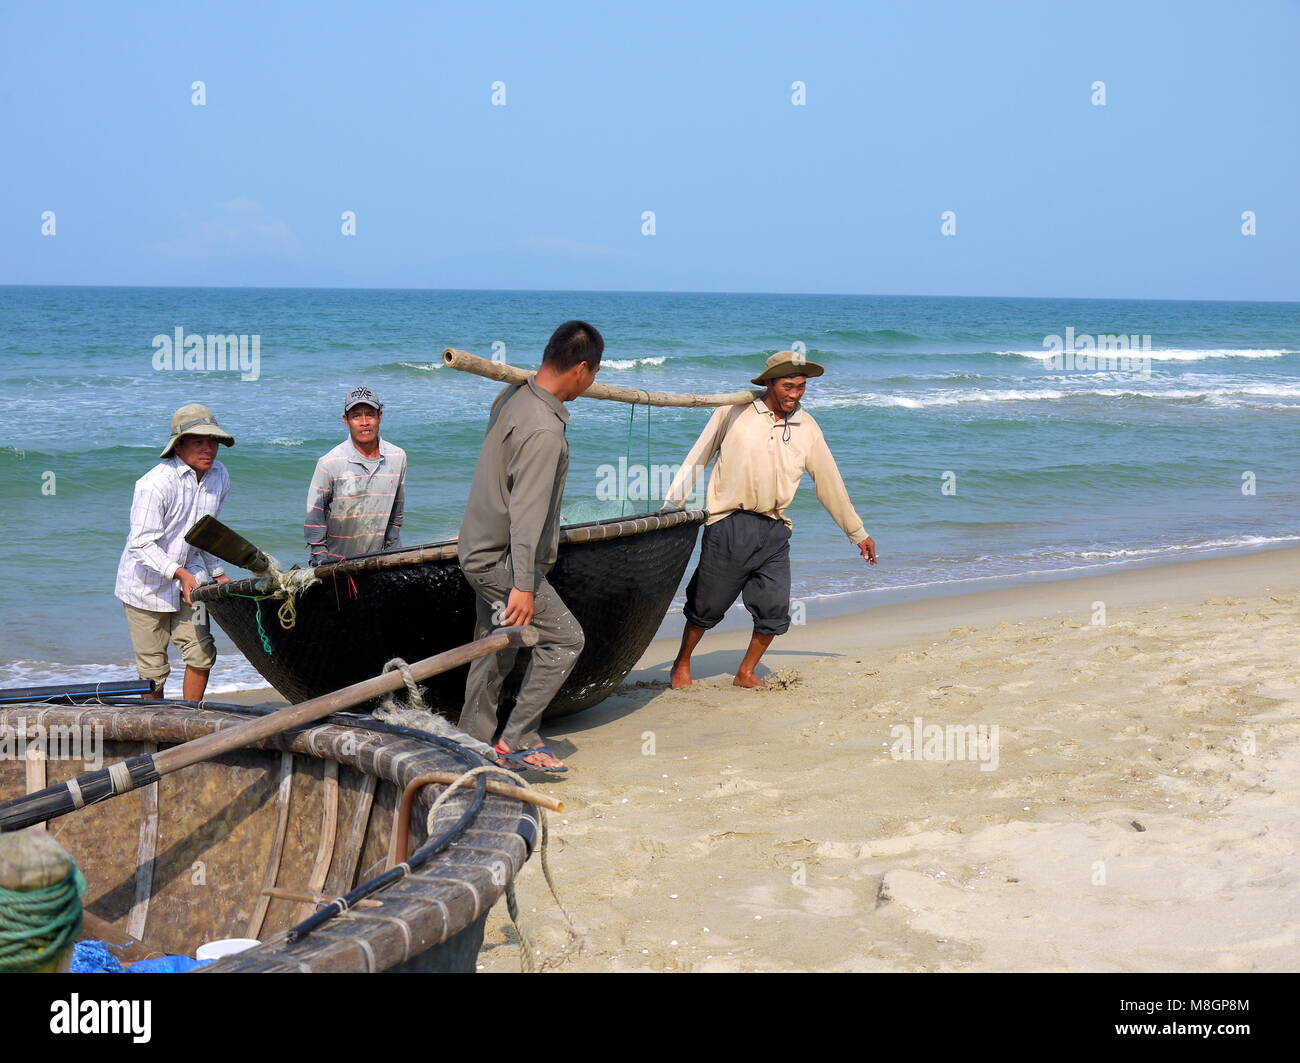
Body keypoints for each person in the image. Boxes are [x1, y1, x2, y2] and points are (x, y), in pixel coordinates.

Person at [662, 351, 877, 688]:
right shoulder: (734, 411)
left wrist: (856, 532)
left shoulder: (807, 426)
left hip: (775, 530)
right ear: (769, 384)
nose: (795, 394)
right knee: (707, 604)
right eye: (788, 386)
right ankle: (682, 662)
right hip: (729, 523)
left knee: (774, 608)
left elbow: (829, 482)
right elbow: (697, 457)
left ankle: (746, 672)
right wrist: (672, 506)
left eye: (802, 387)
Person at [456, 321, 602, 773]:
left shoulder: (512, 397)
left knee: (497, 644)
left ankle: (471, 743)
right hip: (502, 560)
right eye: (594, 372)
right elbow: (527, 516)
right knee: (564, 639)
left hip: (478, 550)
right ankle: (516, 738)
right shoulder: (544, 431)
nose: (592, 381)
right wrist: (523, 585)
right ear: (581, 369)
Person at [114, 403, 234, 700]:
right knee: (153, 672)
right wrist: (178, 573)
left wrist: (218, 574)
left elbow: (208, 533)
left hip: (191, 583)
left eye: (213, 441)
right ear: (178, 445)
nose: (208, 449)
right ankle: (158, 729)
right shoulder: (154, 484)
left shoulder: (220, 476)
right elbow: (140, 543)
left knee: (202, 653)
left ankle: (189, 720)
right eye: (198, 441)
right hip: (144, 588)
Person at [305, 386, 407, 564]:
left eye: (370, 414)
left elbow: (396, 515)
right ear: (346, 420)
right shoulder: (329, 463)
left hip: (377, 562)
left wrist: (393, 556)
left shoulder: (397, 457)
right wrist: (322, 561)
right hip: (335, 564)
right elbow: (315, 519)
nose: (364, 422)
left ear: (380, 417)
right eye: (356, 416)